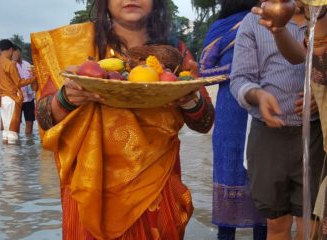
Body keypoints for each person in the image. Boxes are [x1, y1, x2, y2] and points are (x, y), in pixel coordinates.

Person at [31, 0, 214, 239]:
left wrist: (188, 99)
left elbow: (205, 122)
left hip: (157, 184)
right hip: (91, 186)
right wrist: (68, 98)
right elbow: (45, 118)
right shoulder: (76, 46)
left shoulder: (174, 50)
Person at [229, 2, 325, 239]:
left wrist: (320, 92)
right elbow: (240, 79)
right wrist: (258, 95)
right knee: (276, 225)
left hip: (315, 134)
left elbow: (316, 66)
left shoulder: (321, 19)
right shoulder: (254, 23)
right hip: (268, 136)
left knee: (311, 225)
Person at [199, 0, 267, 239]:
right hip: (232, 113)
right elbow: (203, 71)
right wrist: (239, 70)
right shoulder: (221, 27)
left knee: (265, 180)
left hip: (268, 108)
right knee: (229, 172)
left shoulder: (273, 21)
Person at [0, 39, 36, 144]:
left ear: (0, 49)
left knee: (6, 131)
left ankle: (6, 158)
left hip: (2, 98)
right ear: (11, 49)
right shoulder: (10, 64)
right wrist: (34, 78)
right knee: (13, 131)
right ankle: (15, 158)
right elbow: (19, 83)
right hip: (12, 99)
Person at [12, 45, 37, 135]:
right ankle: (17, 146)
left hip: (29, 98)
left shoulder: (28, 64)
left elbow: (33, 80)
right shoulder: (11, 65)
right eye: (13, 51)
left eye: (16, 51)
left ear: (20, 51)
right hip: (17, 99)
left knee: (30, 123)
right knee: (16, 124)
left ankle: (29, 146)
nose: (15, 53)